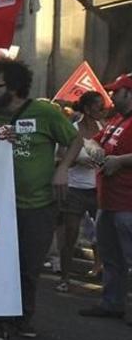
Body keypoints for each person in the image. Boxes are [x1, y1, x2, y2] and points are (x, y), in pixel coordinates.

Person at [0, 58, 82, 340]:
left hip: (38, 205)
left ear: (15, 88)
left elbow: (75, 140)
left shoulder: (44, 113)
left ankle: (22, 318)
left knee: (29, 266)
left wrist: (62, 168)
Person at [79, 73, 132, 325]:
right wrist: (95, 150)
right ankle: (112, 303)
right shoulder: (116, 120)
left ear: (129, 93)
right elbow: (90, 140)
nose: (110, 96)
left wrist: (120, 161)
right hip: (107, 200)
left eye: (116, 92)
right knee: (111, 257)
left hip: (128, 202)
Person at [56, 91, 105, 293]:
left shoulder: (104, 129)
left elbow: (110, 152)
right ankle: (65, 278)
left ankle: (100, 270)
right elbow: (60, 155)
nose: (103, 110)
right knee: (70, 234)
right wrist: (77, 160)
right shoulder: (72, 128)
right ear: (87, 109)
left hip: (97, 189)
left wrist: (101, 159)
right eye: (99, 106)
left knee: (103, 234)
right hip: (75, 189)